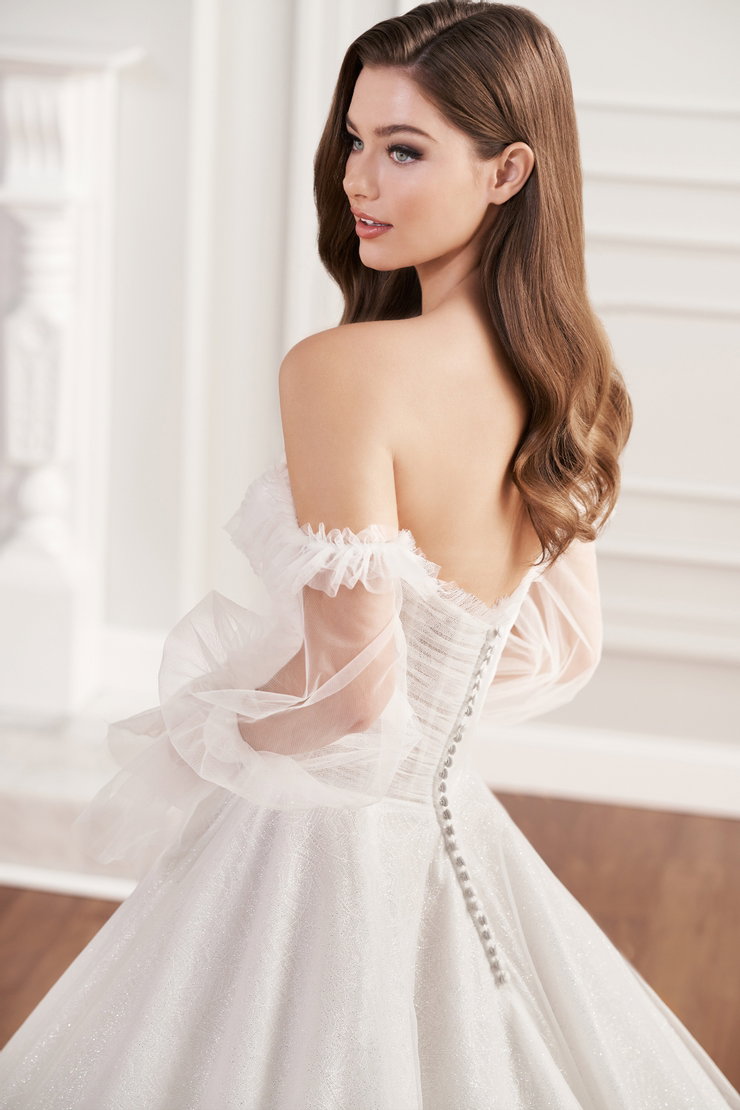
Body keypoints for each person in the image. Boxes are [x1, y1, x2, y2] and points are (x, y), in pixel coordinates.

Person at [1, 1, 738, 1106]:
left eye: (403, 150)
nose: (356, 180)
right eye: (354, 139)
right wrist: (424, 723)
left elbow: (351, 699)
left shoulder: (343, 371)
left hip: (317, 848)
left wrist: (213, 730)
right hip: (444, 821)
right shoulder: (565, 376)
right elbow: (561, 648)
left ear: (507, 172)